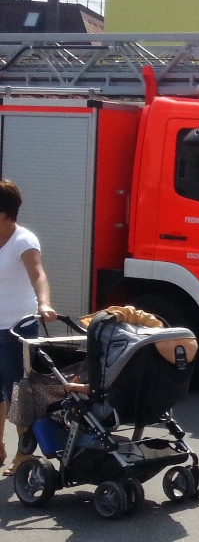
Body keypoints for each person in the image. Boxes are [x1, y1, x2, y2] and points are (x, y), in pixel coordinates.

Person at [0, 180, 57, 476]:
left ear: (3, 213)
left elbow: (38, 276)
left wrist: (43, 304)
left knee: (17, 395)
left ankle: (24, 454)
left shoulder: (23, 241)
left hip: (16, 330)